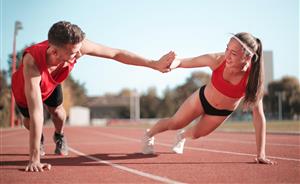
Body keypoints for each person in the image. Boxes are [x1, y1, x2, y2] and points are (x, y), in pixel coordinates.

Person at [12, 21, 176, 172]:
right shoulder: (32, 63)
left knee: (58, 113)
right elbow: (37, 112)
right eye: (73, 53)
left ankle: (59, 136)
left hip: (52, 83)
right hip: (25, 89)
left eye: (78, 50)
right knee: (31, 122)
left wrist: (153, 64)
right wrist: (34, 159)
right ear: (54, 51)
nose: (78, 55)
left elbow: (116, 53)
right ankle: (39, 139)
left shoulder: (77, 47)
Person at [141, 32, 276, 165]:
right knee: (175, 123)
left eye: (234, 54)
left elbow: (258, 115)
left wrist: (261, 154)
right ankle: (149, 134)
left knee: (196, 134)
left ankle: (181, 136)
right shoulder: (217, 59)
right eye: (227, 49)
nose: (227, 55)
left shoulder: (252, 79)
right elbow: (183, 61)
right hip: (202, 99)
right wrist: (171, 64)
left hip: (221, 113)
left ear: (248, 58)